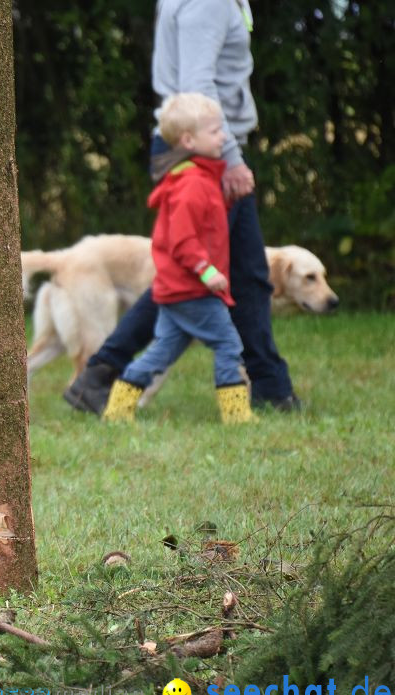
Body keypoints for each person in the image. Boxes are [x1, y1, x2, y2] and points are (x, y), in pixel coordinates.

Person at [65, 0, 299, 415]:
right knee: (187, 278)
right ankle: (100, 376)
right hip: (202, 152)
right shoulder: (207, 3)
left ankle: (270, 387)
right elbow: (195, 87)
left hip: (208, 148)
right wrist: (230, 157)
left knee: (247, 275)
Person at [101, 93, 256, 424]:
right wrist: (207, 272)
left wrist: (225, 203)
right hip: (193, 290)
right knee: (229, 345)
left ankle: (118, 409)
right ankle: (236, 415)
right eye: (215, 131)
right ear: (189, 140)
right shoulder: (192, 184)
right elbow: (182, 240)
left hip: (176, 289)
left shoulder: (198, 178)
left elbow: (204, 225)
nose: (224, 137)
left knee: (162, 352)